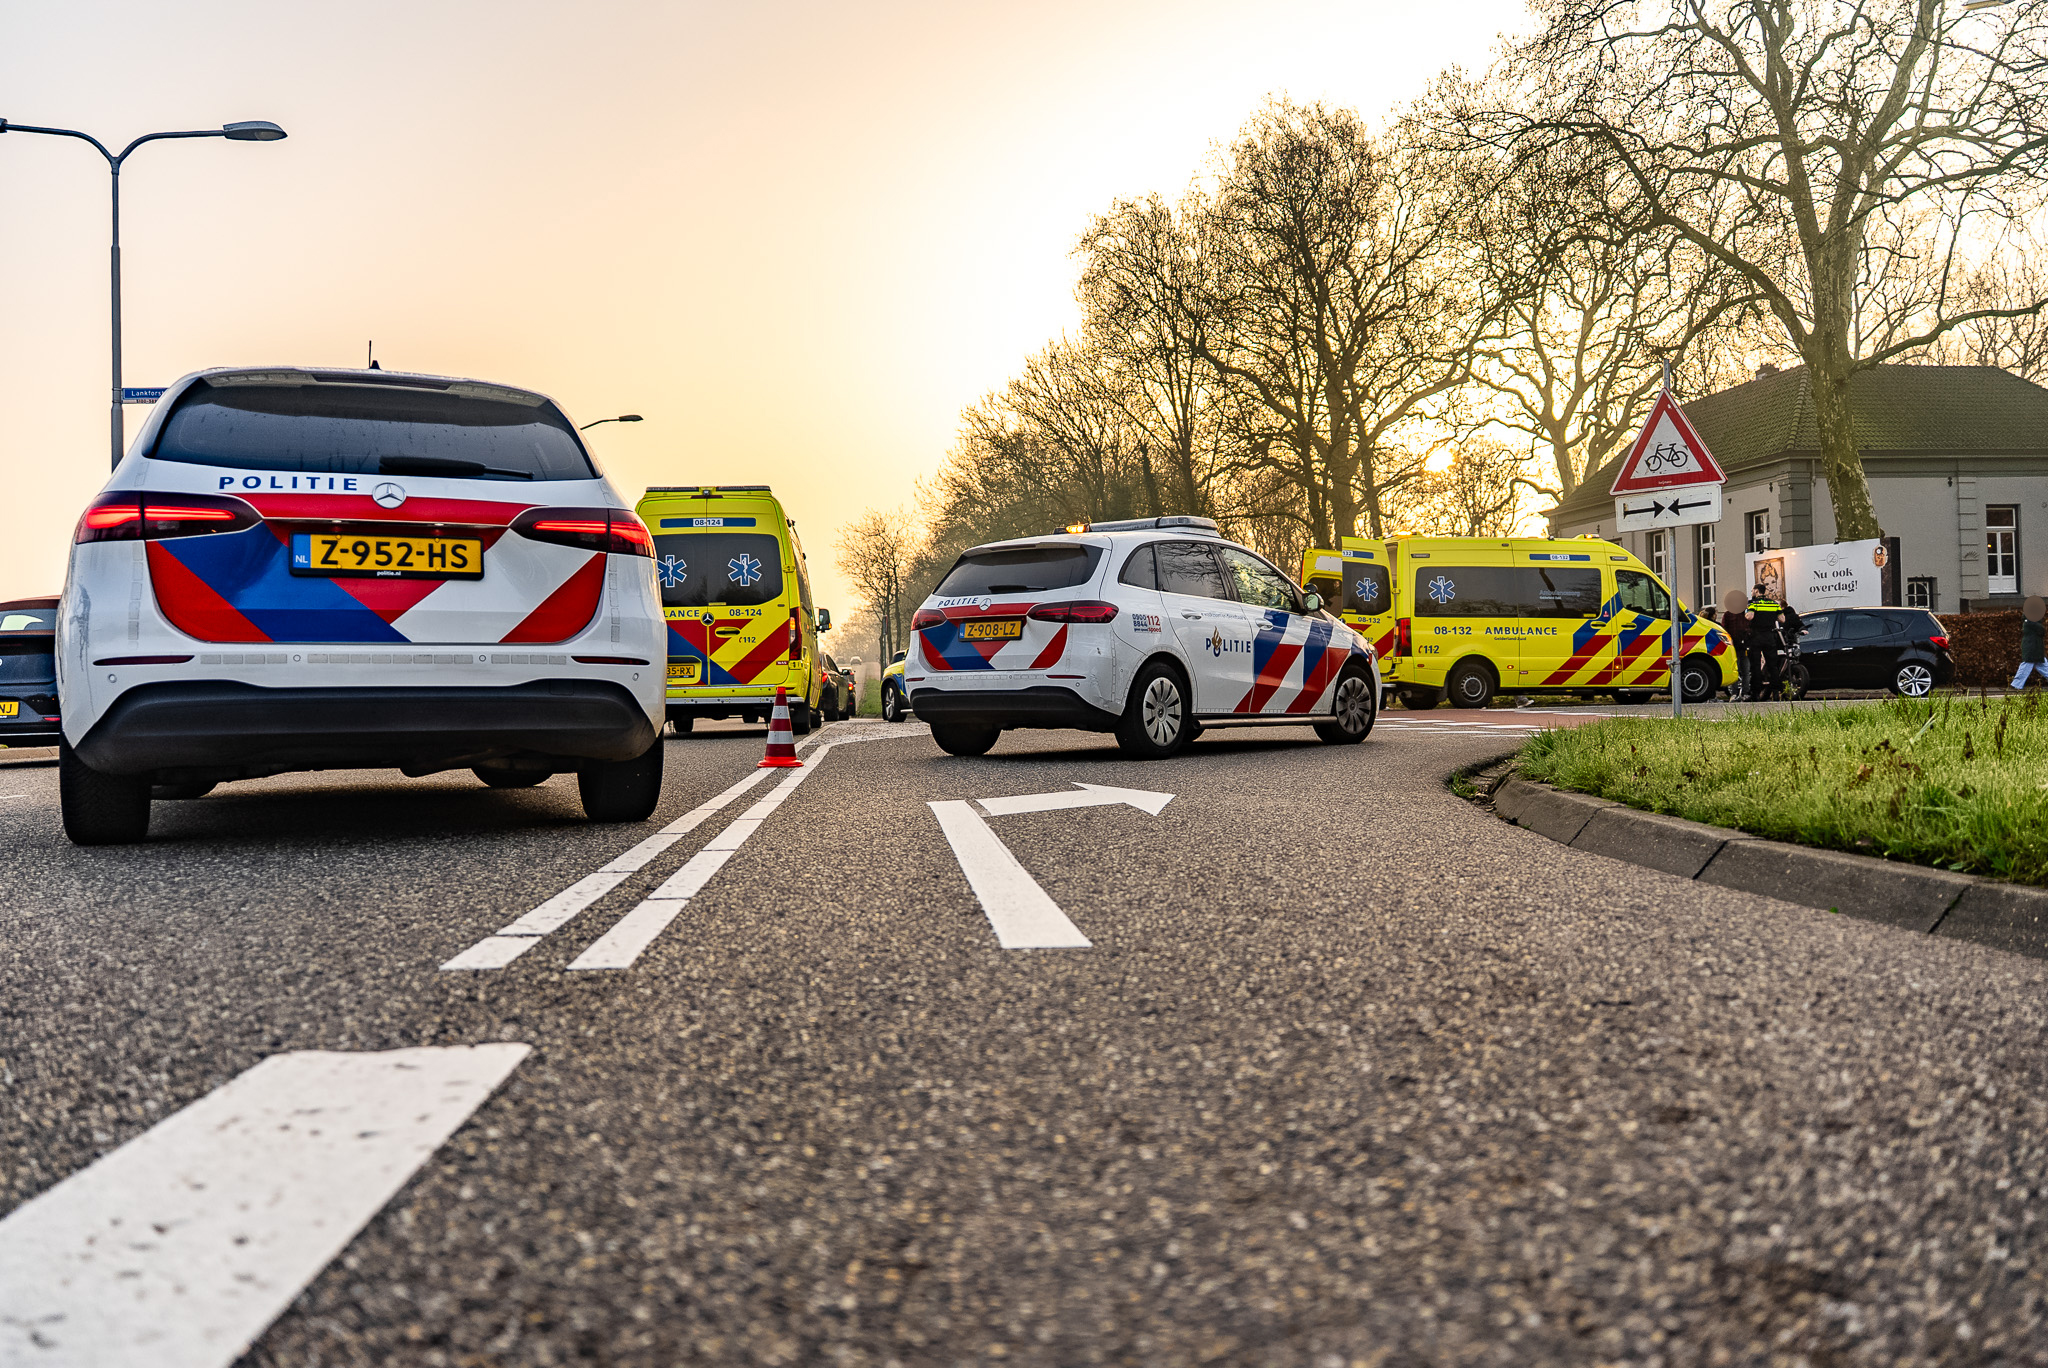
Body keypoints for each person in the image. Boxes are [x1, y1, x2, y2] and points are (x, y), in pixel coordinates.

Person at [1746, 584, 1786, 699]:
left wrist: (1746, 612)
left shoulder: (1753, 603)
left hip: (1756, 637)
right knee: (1772, 666)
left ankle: (1756, 693)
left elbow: (1749, 617)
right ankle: (1775, 692)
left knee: (1756, 665)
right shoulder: (1774, 604)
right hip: (1770, 637)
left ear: (1757, 591)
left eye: (1753, 590)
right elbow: (1782, 619)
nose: (1752, 592)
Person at [1721, 587, 1752, 698]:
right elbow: (1724, 629)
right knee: (1736, 670)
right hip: (1734, 647)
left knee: (1745, 670)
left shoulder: (1746, 614)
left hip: (1744, 647)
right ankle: (1735, 693)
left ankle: (1744, 692)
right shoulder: (1728, 615)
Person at [2014, 596, 2047, 689]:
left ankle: (2016, 684)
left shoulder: (2028, 621)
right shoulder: (2031, 622)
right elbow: (2042, 630)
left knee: (2041, 665)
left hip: (2034, 648)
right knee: (2027, 665)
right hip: (2033, 648)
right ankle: (2016, 684)